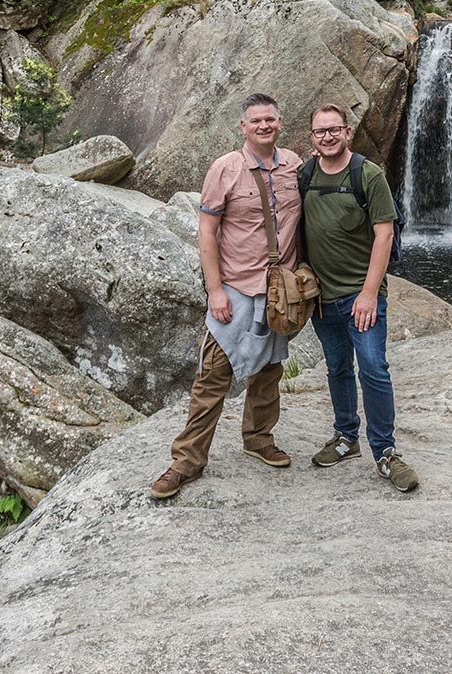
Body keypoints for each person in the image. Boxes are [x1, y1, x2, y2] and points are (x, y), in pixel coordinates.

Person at [149, 93, 303, 500]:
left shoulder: (294, 166)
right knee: (212, 376)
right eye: (256, 121)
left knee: (269, 370)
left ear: (280, 121)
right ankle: (187, 460)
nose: (264, 126)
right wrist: (215, 290)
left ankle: (258, 438)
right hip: (236, 291)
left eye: (270, 119)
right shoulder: (225, 169)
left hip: (277, 292)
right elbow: (207, 232)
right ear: (243, 126)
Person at [299, 104, 418, 492]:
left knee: (373, 368)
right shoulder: (306, 174)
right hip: (322, 298)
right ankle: (346, 436)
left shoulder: (367, 174)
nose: (328, 137)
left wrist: (369, 294)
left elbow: (384, 234)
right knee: (336, 368)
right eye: (320, 132)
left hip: (360, 297)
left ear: (348, 133)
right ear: (312, 138)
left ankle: (385, 452)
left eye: (334, 130)